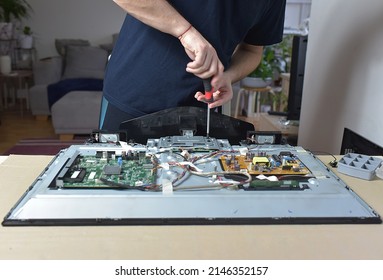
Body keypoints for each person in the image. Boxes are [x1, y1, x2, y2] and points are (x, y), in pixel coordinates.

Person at [100, 0, 286, 131]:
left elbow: (252, 51)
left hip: (201, 110)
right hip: (132, 96)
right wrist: (185, 33)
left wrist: (228, 76)